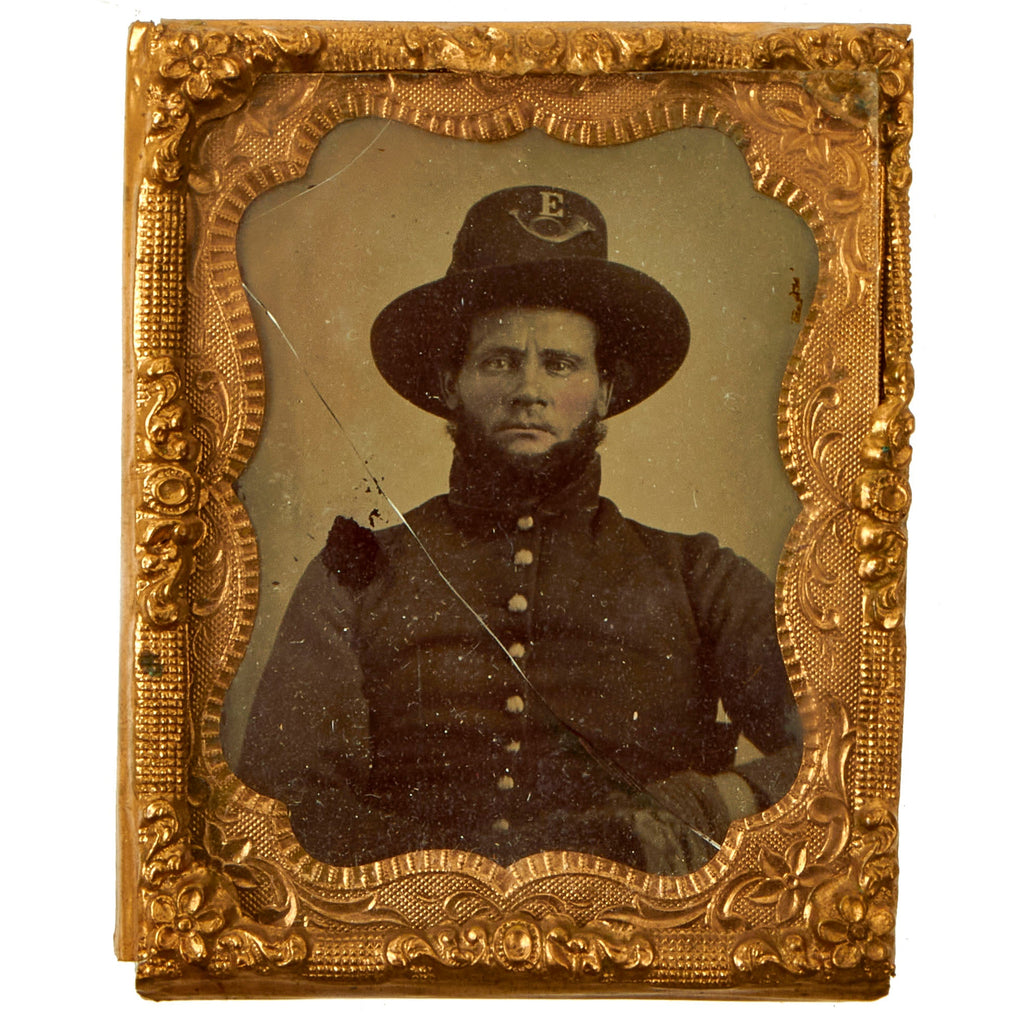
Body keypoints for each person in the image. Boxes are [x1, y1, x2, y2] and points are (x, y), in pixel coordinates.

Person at [237, 185, 802, 874]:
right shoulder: (356, 575)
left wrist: (717, 802)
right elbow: (283, 796)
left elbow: (844, 742)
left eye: (560, 363)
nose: (528, 389)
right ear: (450, 382)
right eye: (500, 360)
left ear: (605, 390)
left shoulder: (696, 576)